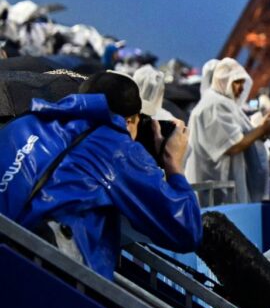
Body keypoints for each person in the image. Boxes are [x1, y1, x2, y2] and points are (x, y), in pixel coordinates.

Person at [0, 71, 202, 279]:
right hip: (47, 277)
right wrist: (173, 164)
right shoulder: (117, 148)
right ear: (131, 120)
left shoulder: (26, 121)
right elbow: (186, 230)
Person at [185, 57, 270, 204]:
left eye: (243, 83)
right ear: (222, 81)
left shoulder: (224, 104)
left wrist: (262, 128)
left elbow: (241, 137)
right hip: (215, 193)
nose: (241, 88)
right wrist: (263, 129)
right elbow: (232, 145)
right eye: (237, 82)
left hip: (223, 189)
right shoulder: (214, 105)